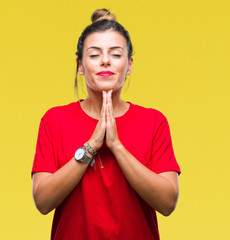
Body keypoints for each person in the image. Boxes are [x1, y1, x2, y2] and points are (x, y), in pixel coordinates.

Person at [31, 9, 181, 240]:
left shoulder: (153, 121)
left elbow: (168, 203)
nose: (105, 61)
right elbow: (43, 201)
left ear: (129, 66)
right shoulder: (54, 120)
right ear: (80, 66)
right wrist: (91, 146)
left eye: (115, 54)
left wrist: (116, 146)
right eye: (94, 54)